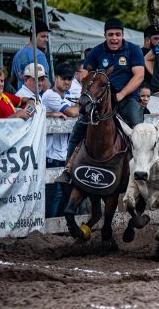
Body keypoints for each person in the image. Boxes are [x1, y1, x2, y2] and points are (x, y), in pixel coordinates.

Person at [57, 17, 145, 183]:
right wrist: (87, 79)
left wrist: (120, 95)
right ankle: (68, 170)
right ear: (105, 35)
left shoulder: (133, 50)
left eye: (117, 34)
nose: (114, 38)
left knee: (138, 130)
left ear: (122, 35)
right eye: (110, 34)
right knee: (79, 128)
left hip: (126, 99)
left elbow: (139, 75)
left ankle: (141, 171)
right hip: (99, 102)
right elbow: (84, 73)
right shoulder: (97, 52)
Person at [41, 62, 80, 218]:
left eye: (69, 79)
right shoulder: (51, 95)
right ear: (56, 78)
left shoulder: (65, 96)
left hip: (63, 153)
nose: (67, 82)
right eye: (63, 78)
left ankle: (60, 226)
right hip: (51, 153)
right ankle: (51, 226)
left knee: (65, 192)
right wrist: (81, 105)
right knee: (54, 192)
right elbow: (72, 112)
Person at [10, 20, 50, 90]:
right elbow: (45, 84)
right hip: (37, 98)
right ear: (33, 36)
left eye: (47, 37)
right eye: (43, 36)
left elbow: (12, 81)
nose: (46, 40)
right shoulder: (39, 55)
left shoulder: (17, 55)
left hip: (22, 97)